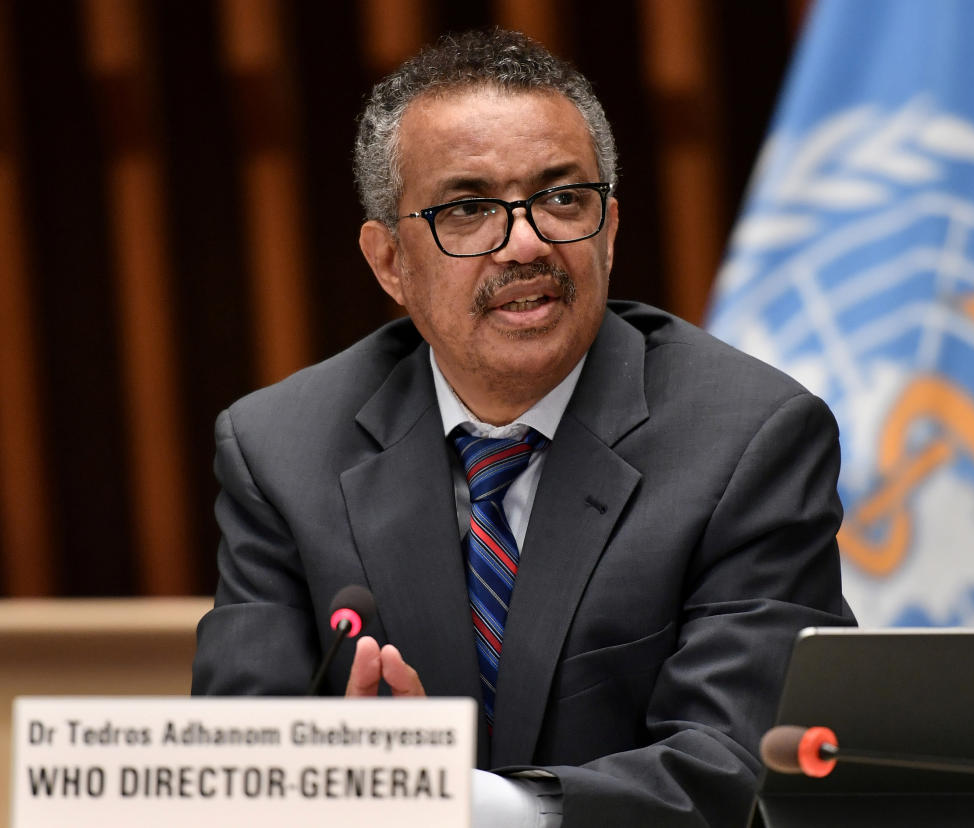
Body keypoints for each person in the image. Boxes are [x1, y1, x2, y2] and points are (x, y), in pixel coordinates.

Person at [192, 28, 854, 827]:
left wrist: (460, 803)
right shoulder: (281, 450)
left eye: (562, 198)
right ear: (390, 263)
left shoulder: (750, 439)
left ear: (609, 229)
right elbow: (238, 766)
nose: (528, 242)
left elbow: (739, 764)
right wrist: (338, 775)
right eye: (468, 209)